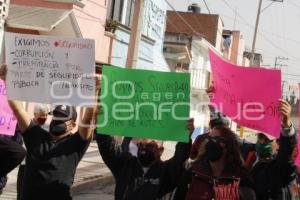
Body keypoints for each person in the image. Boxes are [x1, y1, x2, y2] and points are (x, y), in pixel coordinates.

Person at [0, 64, 99, 200]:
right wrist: (8, 81)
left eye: (62, 118)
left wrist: (94, 90)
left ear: (73, 125)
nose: (56, 120)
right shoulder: (36, 135)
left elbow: (88, 119)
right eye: (56, 116)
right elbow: (18, 110)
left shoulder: (76, 144)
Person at [96, 119, 194, 200]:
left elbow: (180, 157)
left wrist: (186, 136)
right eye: (142, 144)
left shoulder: (167, 171)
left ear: (160, 150)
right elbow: (107, 148)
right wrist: (101, 125)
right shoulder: (125, 165)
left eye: (150, 146)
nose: (144, 146)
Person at [174, 125, 253, 200]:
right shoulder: (193, 173)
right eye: (209, 139)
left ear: (228, 145)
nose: (211, 143)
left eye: (216, 139)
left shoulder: (241, 178)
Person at [250, 99, 300, 199]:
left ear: (278, 143)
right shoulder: (249, 156)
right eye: (261, 137)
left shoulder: (281, 166)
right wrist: (215, 109)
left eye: (268, 140)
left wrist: (286, 125)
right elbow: (224, 139)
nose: (263, 142)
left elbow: (287, 153)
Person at [16, 103, 49, 200]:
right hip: (25, 164)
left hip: (41, 165)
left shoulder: (48, 128)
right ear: (35, 114)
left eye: (46, 114)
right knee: (21, 193)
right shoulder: (27, 126)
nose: (45, 117)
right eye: (42, 114)